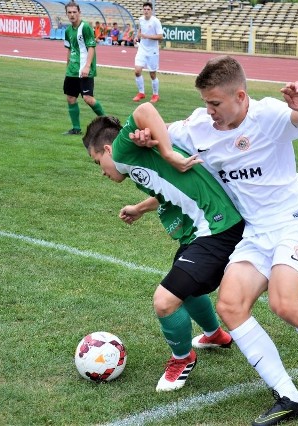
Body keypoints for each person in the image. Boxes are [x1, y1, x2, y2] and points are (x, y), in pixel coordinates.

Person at [131, 55, 298, 426]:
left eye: (215, 103)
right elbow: (148, 121)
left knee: (284, 303)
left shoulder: (268, 115)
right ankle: (288, 397)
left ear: (241, 96)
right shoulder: (199, 127)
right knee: (230, 306)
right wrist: (150, 139)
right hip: (255, 233)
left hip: (293, 225)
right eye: (206, 103)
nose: (209, 111)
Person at [82, 102, 245, 392]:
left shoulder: (121, 152)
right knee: (186, 289)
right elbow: (166, 189)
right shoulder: (136, 160)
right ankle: (215, 334)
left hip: (217, 229)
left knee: (165, 301)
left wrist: (169, 154)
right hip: (203, 231)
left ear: (108, 150)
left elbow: (144, 109)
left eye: (98, 163)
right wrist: (140, 208)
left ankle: (183, 359)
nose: (102, 172)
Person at [61, 1, 105, 135]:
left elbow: (91, 47)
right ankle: (76, 128)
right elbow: (69, 49)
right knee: (70, 98)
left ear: (79, 12)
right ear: (66, 14)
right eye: (69, 12)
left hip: (84, 70)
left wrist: (87, 66)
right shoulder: (68, 30)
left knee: (88, 98)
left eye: (74, 12)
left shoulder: (85, 27)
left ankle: (107, 122)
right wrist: (67, 65)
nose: (72, 15)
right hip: (72, 70)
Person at [132, 2, 163, 104]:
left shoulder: (156, 21)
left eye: (148, 9)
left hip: (152, 51)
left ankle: (155, 94)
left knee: (152, 74)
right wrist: (137, 37)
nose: (146, 11)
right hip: (142, 49)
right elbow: (140, 31)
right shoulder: (141, 19)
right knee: (137, 71)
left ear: (151, 10)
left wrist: (147, 36)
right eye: (144, 9)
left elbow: (160, 37)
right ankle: (141, 93)